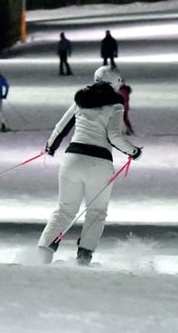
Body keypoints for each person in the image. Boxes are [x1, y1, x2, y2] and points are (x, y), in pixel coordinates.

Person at [37, 66, 142, 265]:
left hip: (72, 160)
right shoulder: (116, 105)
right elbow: (114, 136)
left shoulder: (81, 101)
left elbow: (61, 127)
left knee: (65, 210)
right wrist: (133, 151)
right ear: (115, 83)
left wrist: (50, 147)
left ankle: (43, 252)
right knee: (96, 211)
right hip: (100, 164)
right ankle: (84, 257)